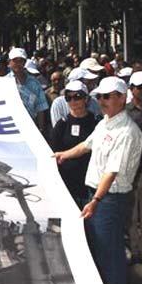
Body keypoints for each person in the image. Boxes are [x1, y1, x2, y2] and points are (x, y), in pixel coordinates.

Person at [54, 76, 142, 284]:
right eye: (100, 97)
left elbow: (112, 172)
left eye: (108, 96)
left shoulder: (127, 132)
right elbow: (85, 145)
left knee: (109, 256)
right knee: (99, 252)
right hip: (99, 197)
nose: (102, 101)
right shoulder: (105, 123)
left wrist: (95, 201)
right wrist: (63, 154)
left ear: (123, 98)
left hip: (109, 200)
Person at [51, 80, 97, 208]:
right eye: (69, 98)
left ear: (86, 99)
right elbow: (54, 152)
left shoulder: (96, 123)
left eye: (77, 96)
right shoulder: (62, 125)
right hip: (68, 182)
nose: (73, 101)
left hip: (90, 184)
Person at [127, 70, 142, 264]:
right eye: (140, 87)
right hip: (130, 171)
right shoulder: (124, 112)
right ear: (132, 89)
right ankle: (134, 251)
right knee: (132, 216)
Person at [6, 47, 48, 131]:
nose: (18, 63)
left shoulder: (34, 83)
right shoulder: (4, 82)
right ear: (9, 62)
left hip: (31, 127)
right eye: (15, 60)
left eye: (21, 61)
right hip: (10, 127)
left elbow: (40, 107)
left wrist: (41, 129)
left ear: (25, 62)